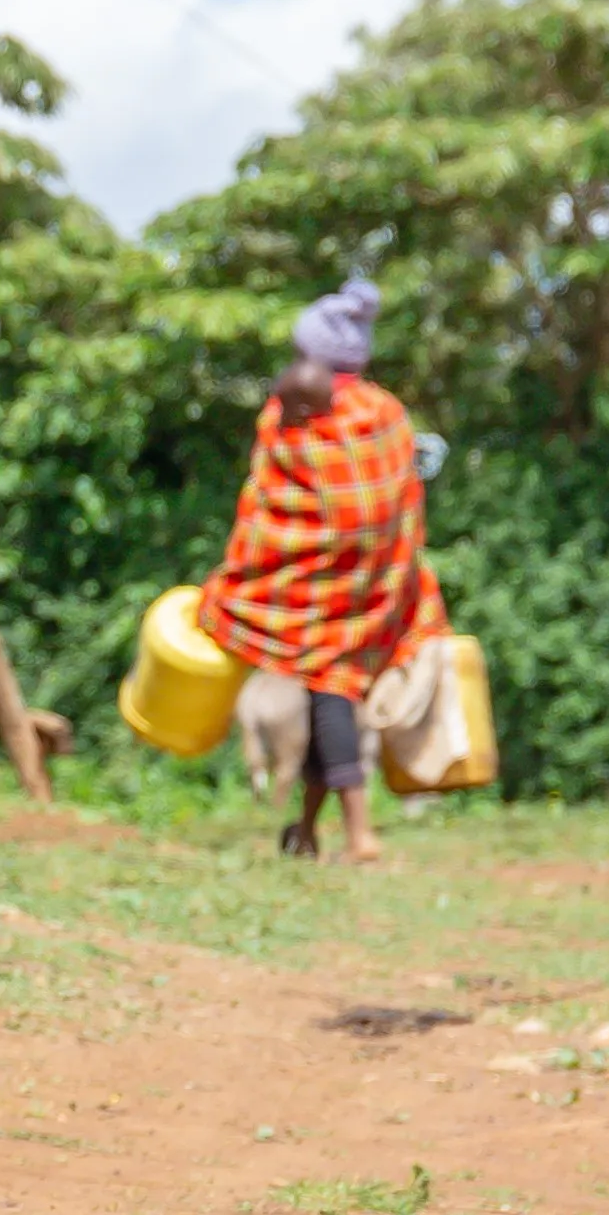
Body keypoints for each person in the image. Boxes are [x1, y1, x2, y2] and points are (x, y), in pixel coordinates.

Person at [196, 277, 449, 865]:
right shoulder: (385, 411)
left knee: (330, 692)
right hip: (372, 587)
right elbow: (393, 500)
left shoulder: (293, 414)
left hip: (308, 589)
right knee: (324, 695)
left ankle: (360, 834)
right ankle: (306, 830)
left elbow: (270, 500)